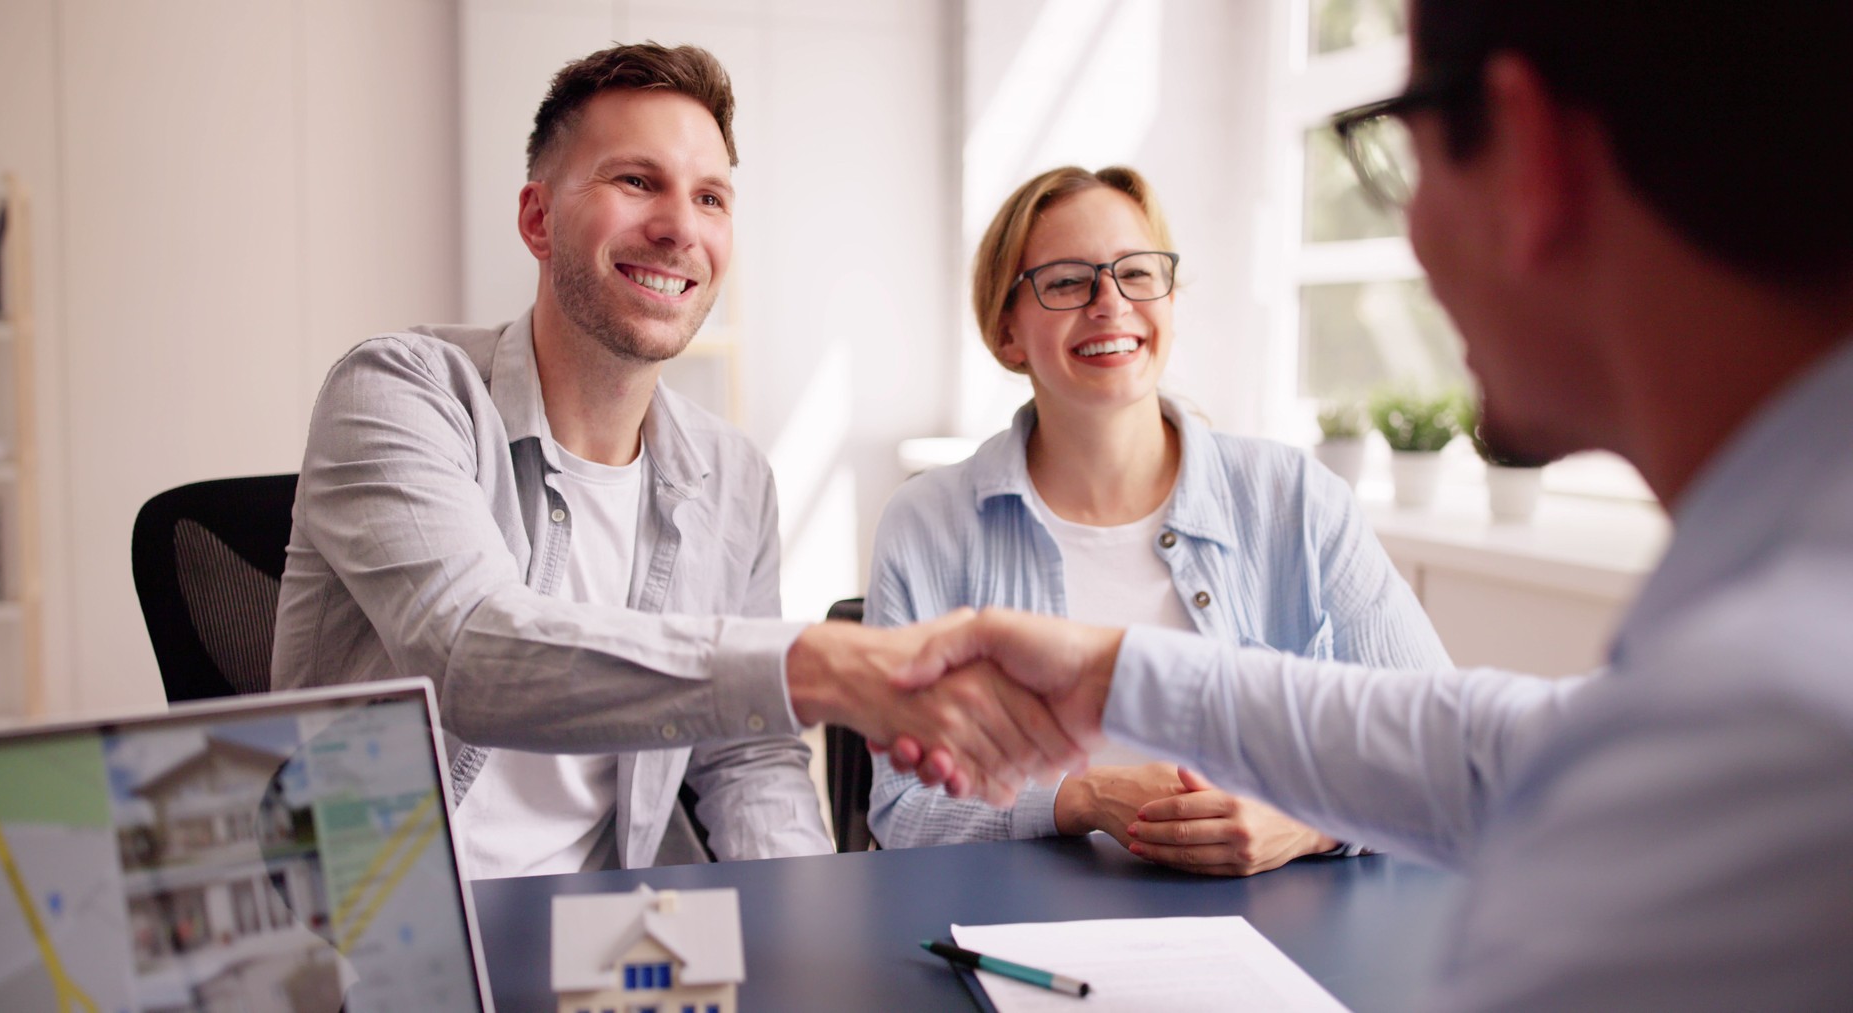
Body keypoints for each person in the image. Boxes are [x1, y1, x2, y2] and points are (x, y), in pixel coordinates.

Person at [895, 1, 1853, 1007]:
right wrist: (1112, 685)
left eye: (1402, 149)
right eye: (1067, 281)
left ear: (1526, 154)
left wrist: (1280, 806)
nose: (1412, 235)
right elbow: (1498, 745)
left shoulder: (1767, 719)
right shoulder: (1754, 655)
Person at [271, 43, 1078, 878]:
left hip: (609, 934)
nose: (680, 229)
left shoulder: (733, 476)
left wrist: (813, 923)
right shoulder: (399, 391)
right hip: (377, 923)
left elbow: (749, 761)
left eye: (710, 198)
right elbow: (471, 655)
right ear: (538, 219)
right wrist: (818, 667)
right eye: (636, 181)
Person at [866, 165, 1448, 875]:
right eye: (1067, 281)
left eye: (1137, 273)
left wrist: (1308, 823)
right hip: (1023, 926)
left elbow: (1438, 752)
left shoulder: (1298, 500)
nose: (1110, 303)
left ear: (1168, 298)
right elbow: (903, 806)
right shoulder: (927, 525)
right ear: (1007, 330)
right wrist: (1079, 798)